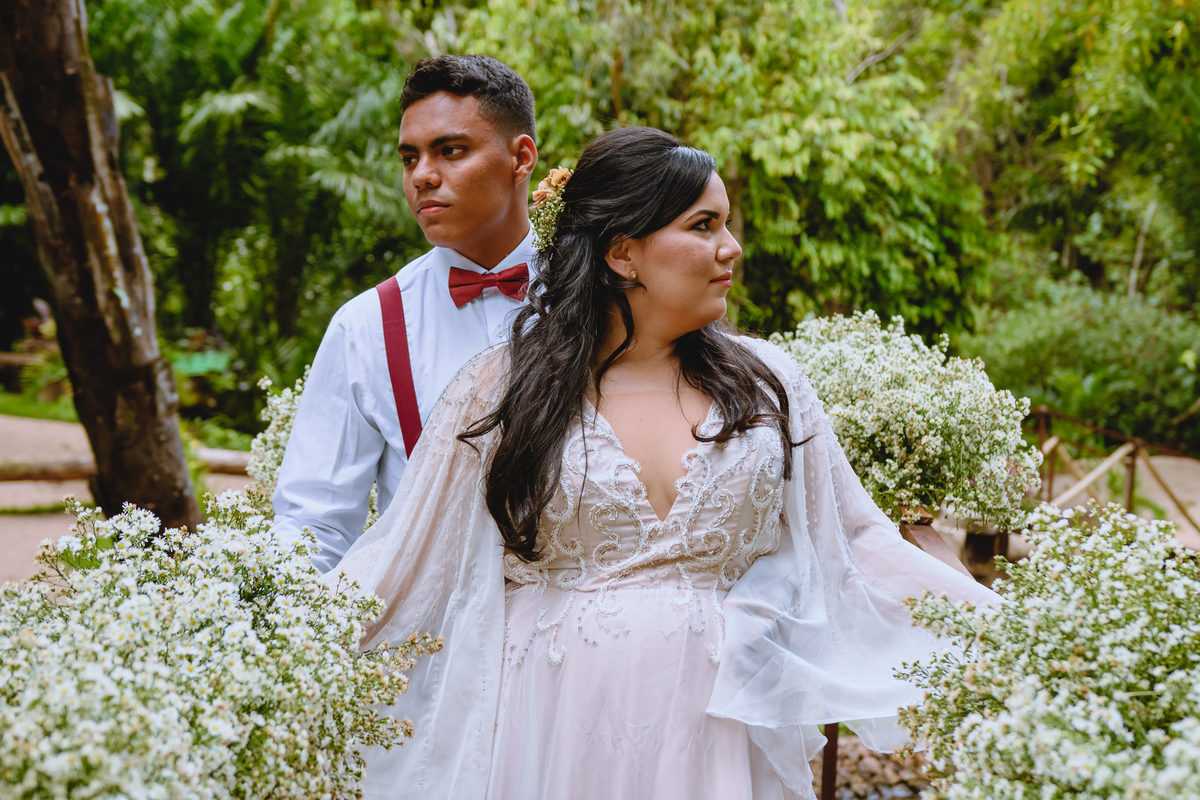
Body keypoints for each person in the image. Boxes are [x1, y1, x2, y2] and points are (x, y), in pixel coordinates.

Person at [327, 127, 999, 800]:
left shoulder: (770, 383)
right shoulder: (501, 389)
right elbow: (404, 559)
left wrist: (1007, 635)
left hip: (718, 731)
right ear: (624, 254)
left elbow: (854, 537)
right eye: (704, 225)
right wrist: (272, 642)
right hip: (548, 724)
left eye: (726, 225)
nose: (730, 248)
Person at [272, 55, 538, 573]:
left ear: (521, 158)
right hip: (434, 641)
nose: (422, 176)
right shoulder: (366, 326)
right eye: (409, 158)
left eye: (450, 151)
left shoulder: (604, 292)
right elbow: (315, 524)